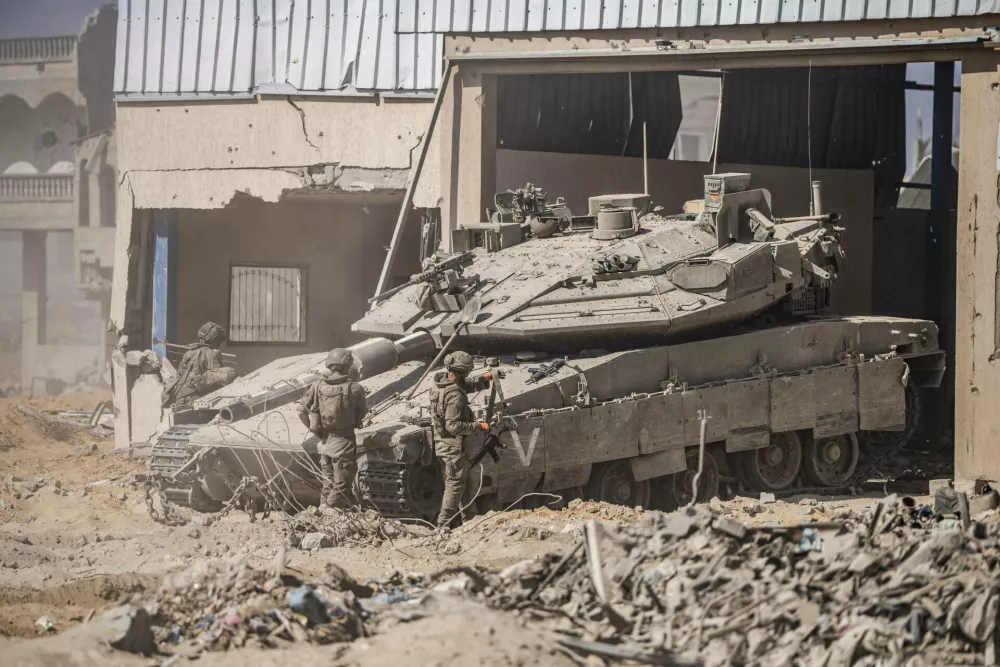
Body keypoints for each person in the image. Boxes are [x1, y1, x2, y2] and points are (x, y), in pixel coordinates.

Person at [296, 348, 368, 510]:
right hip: (344, 442)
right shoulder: (355, 388)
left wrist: (315, 430)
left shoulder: (318, 385)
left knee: (328, 483)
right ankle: (327, 513)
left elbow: (301, 410)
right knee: (342, 484)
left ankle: (322, 510)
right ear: (347, 366)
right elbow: (362, 412)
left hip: (324, 442)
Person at [429, 351, 492, 528]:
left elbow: (463, 385)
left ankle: (470, 521)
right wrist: (479, 426)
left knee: (466, 482)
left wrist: (484, 379)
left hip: (442, 443)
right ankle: (443, 525)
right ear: (462, 372)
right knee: (455, 484)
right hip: (453, 447)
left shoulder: (439, 383)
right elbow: (453, 426)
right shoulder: (455, 394)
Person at [161, 321, 238, 409]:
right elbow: (219, 379)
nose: (219, 344)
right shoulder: (210, 353)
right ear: (214, 339)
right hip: (199, 397)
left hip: (183, 393)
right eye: (219, 341)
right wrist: (218, 357)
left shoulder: (188, 353)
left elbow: (179, 375)